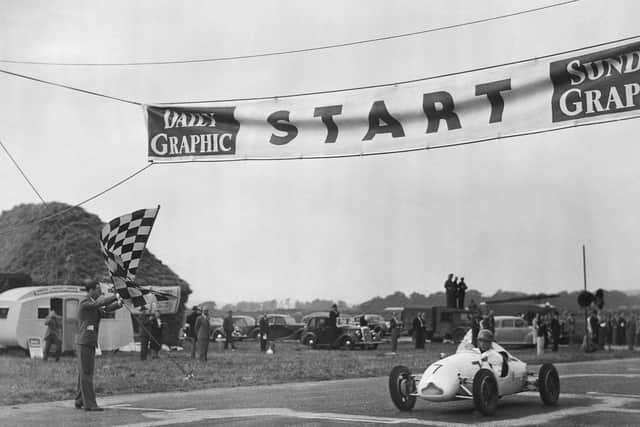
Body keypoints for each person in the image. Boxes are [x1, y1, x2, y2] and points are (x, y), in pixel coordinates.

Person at [74, 281, 122, 411]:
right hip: (85, 342)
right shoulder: (85, 302)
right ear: (91, 290)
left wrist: (119, 303)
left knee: (83, 372)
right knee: (87, 373)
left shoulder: (91, 304)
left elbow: (105, 309)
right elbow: (99, 304)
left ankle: (79, 400)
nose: (100, 291)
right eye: (98, 289)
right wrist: (115, 296)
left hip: (87, 341)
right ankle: (89, 404)